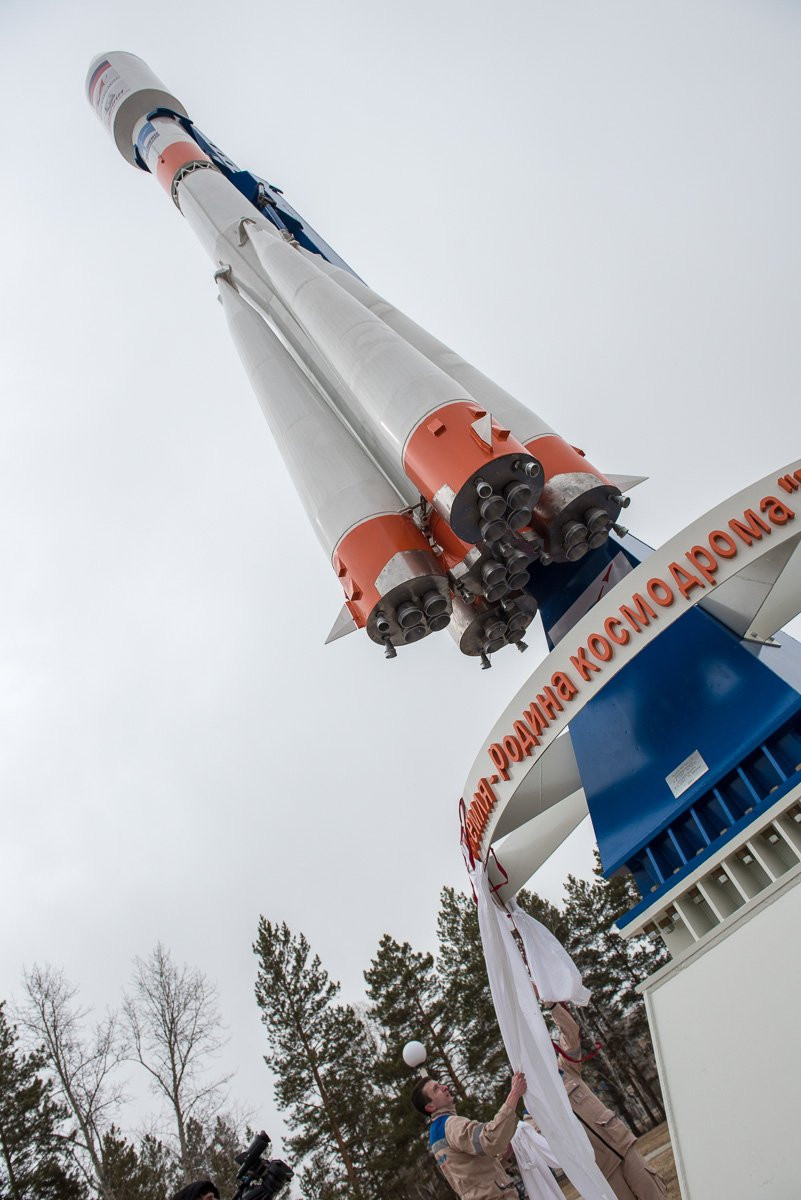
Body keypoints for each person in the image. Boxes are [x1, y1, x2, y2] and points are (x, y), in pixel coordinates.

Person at [546, 1003, 666, 1200]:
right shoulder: (536, 1107)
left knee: (653, 1193)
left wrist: (552, 1005)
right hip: (601, 1168)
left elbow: (571, 1034)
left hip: (621, 1145)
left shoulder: (565, 1070)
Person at [411, 1070, 528, 1199]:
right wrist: (514, 1094)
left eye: (440, 1084)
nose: (444, 1087)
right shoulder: (451, 1125)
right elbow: (490, 1140)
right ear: (430, 1107)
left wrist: (503, 1158)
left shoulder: (436, 1134)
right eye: (436, 1089)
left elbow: (471, 1177)